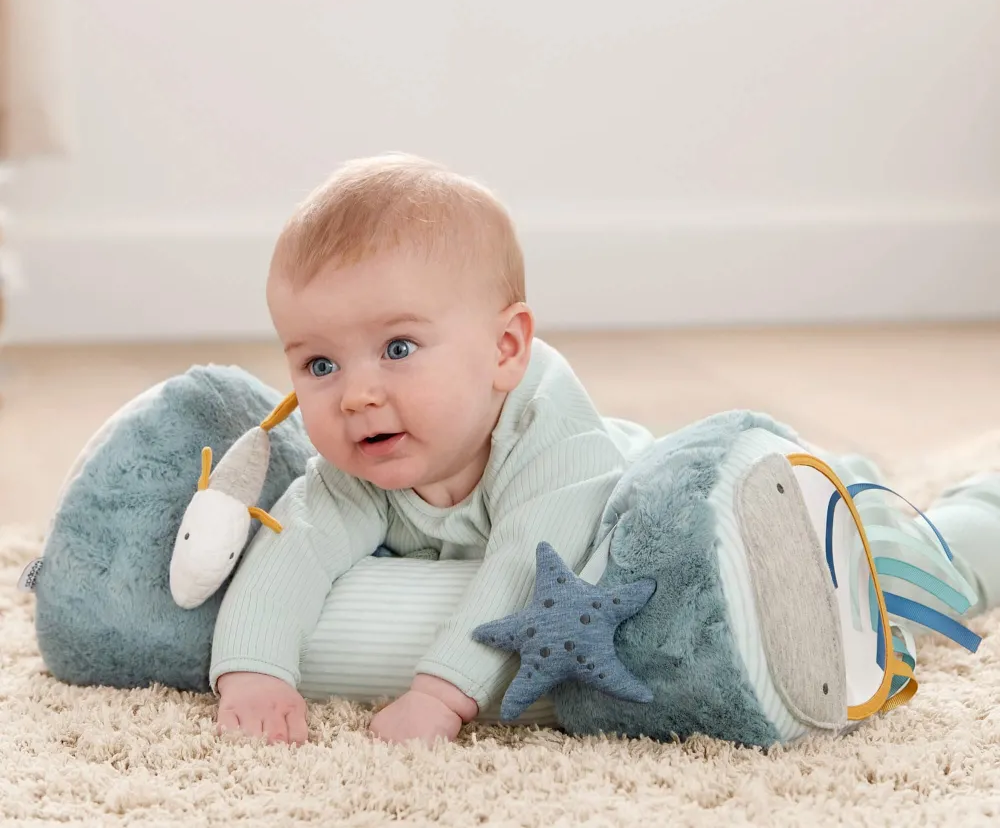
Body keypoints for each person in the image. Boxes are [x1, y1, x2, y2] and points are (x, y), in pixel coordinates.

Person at [211, 154, 1000, 746]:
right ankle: (854, 474)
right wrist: (251, 670)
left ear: (505, 349)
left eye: (398, 347)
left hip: (673, 525)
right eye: (319, 364)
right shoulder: (360, 460)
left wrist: (439, 694)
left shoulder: (553, 444)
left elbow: (527, 568)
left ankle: (973, 518)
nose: (354, 394)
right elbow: (291, 551)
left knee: (904, 573)